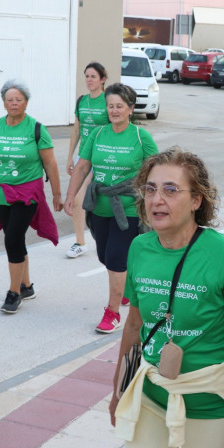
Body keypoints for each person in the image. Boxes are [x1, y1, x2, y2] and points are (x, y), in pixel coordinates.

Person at [112, 148, 224, 448]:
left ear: (196, 199)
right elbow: (134, 325)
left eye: (170, 189)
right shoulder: (140, 248)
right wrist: (118, 389)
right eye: (150, 189)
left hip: (210, 402)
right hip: (151, 394)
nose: (156, 199)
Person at [64, 83, 158, 333]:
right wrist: (71, 195)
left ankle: (112, 313)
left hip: (128, 207)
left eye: (119, 106)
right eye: (110, 106)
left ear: (130, 108)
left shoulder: (141, 137)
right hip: (99, 205)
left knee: (116, 259)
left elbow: (156, 170)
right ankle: (125, 287)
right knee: (105, 256)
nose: (114, 110)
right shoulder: (97, 134)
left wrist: (155, 200)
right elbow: (83, 166)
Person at [0, 79, 61, 314]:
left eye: (19, 99)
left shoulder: (36, 128)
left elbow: (50, 163)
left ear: (26, 102)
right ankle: (26, 286)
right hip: (0, 191)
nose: (14, 103)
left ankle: (14, 292)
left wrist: (57, 194)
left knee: (13, 239)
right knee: (14, 238)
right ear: (4, 102)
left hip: (27, 192)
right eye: (10, 99)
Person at [65, 62, 109, 259]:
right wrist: (69, 157)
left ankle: (106, 237)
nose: (89, 80)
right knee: (76, 199)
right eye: (87, 76)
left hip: (102, 156)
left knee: (95, 200)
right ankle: (80, 242)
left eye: (93, 76)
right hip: (84, 157)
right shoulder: (81, 101)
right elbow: (76, 129)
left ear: (102, 79)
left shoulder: (108, 100)